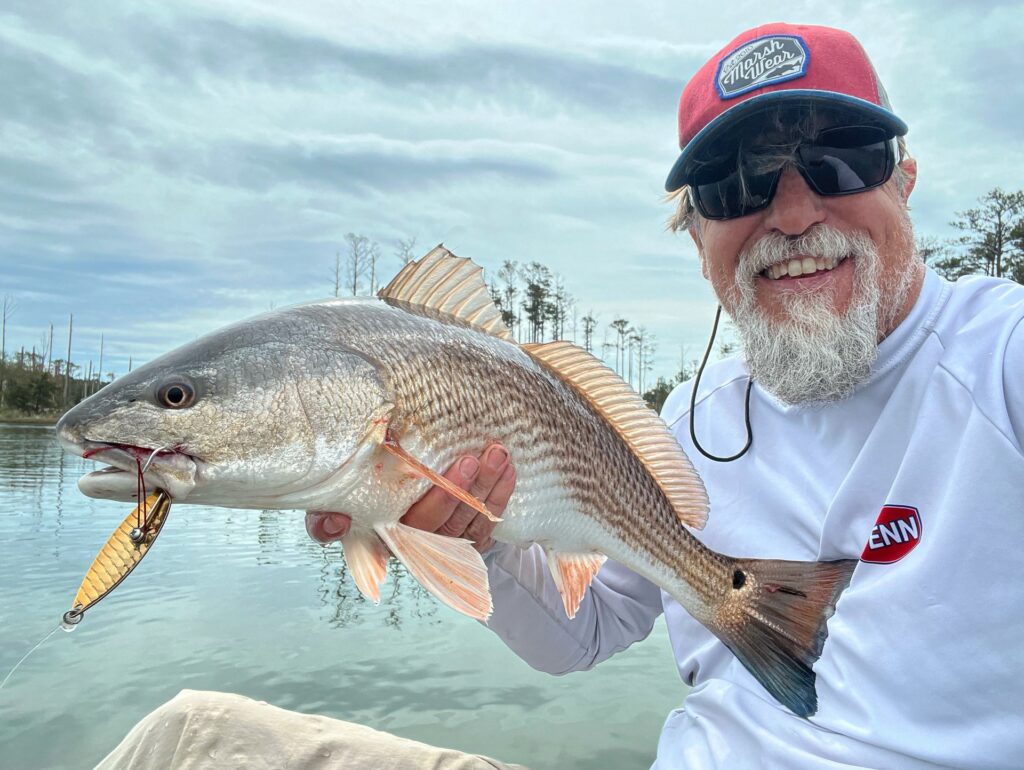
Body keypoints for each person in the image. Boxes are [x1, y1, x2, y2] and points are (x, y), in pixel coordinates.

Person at [102, 22, 1024, 770]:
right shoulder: (691, 421)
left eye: (838, 159)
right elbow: (577, 636)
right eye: (735, 181)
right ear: (695, 229)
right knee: (189, 738)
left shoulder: (1002, 356)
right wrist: (485, 539)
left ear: (903, 179)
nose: (790, 214)